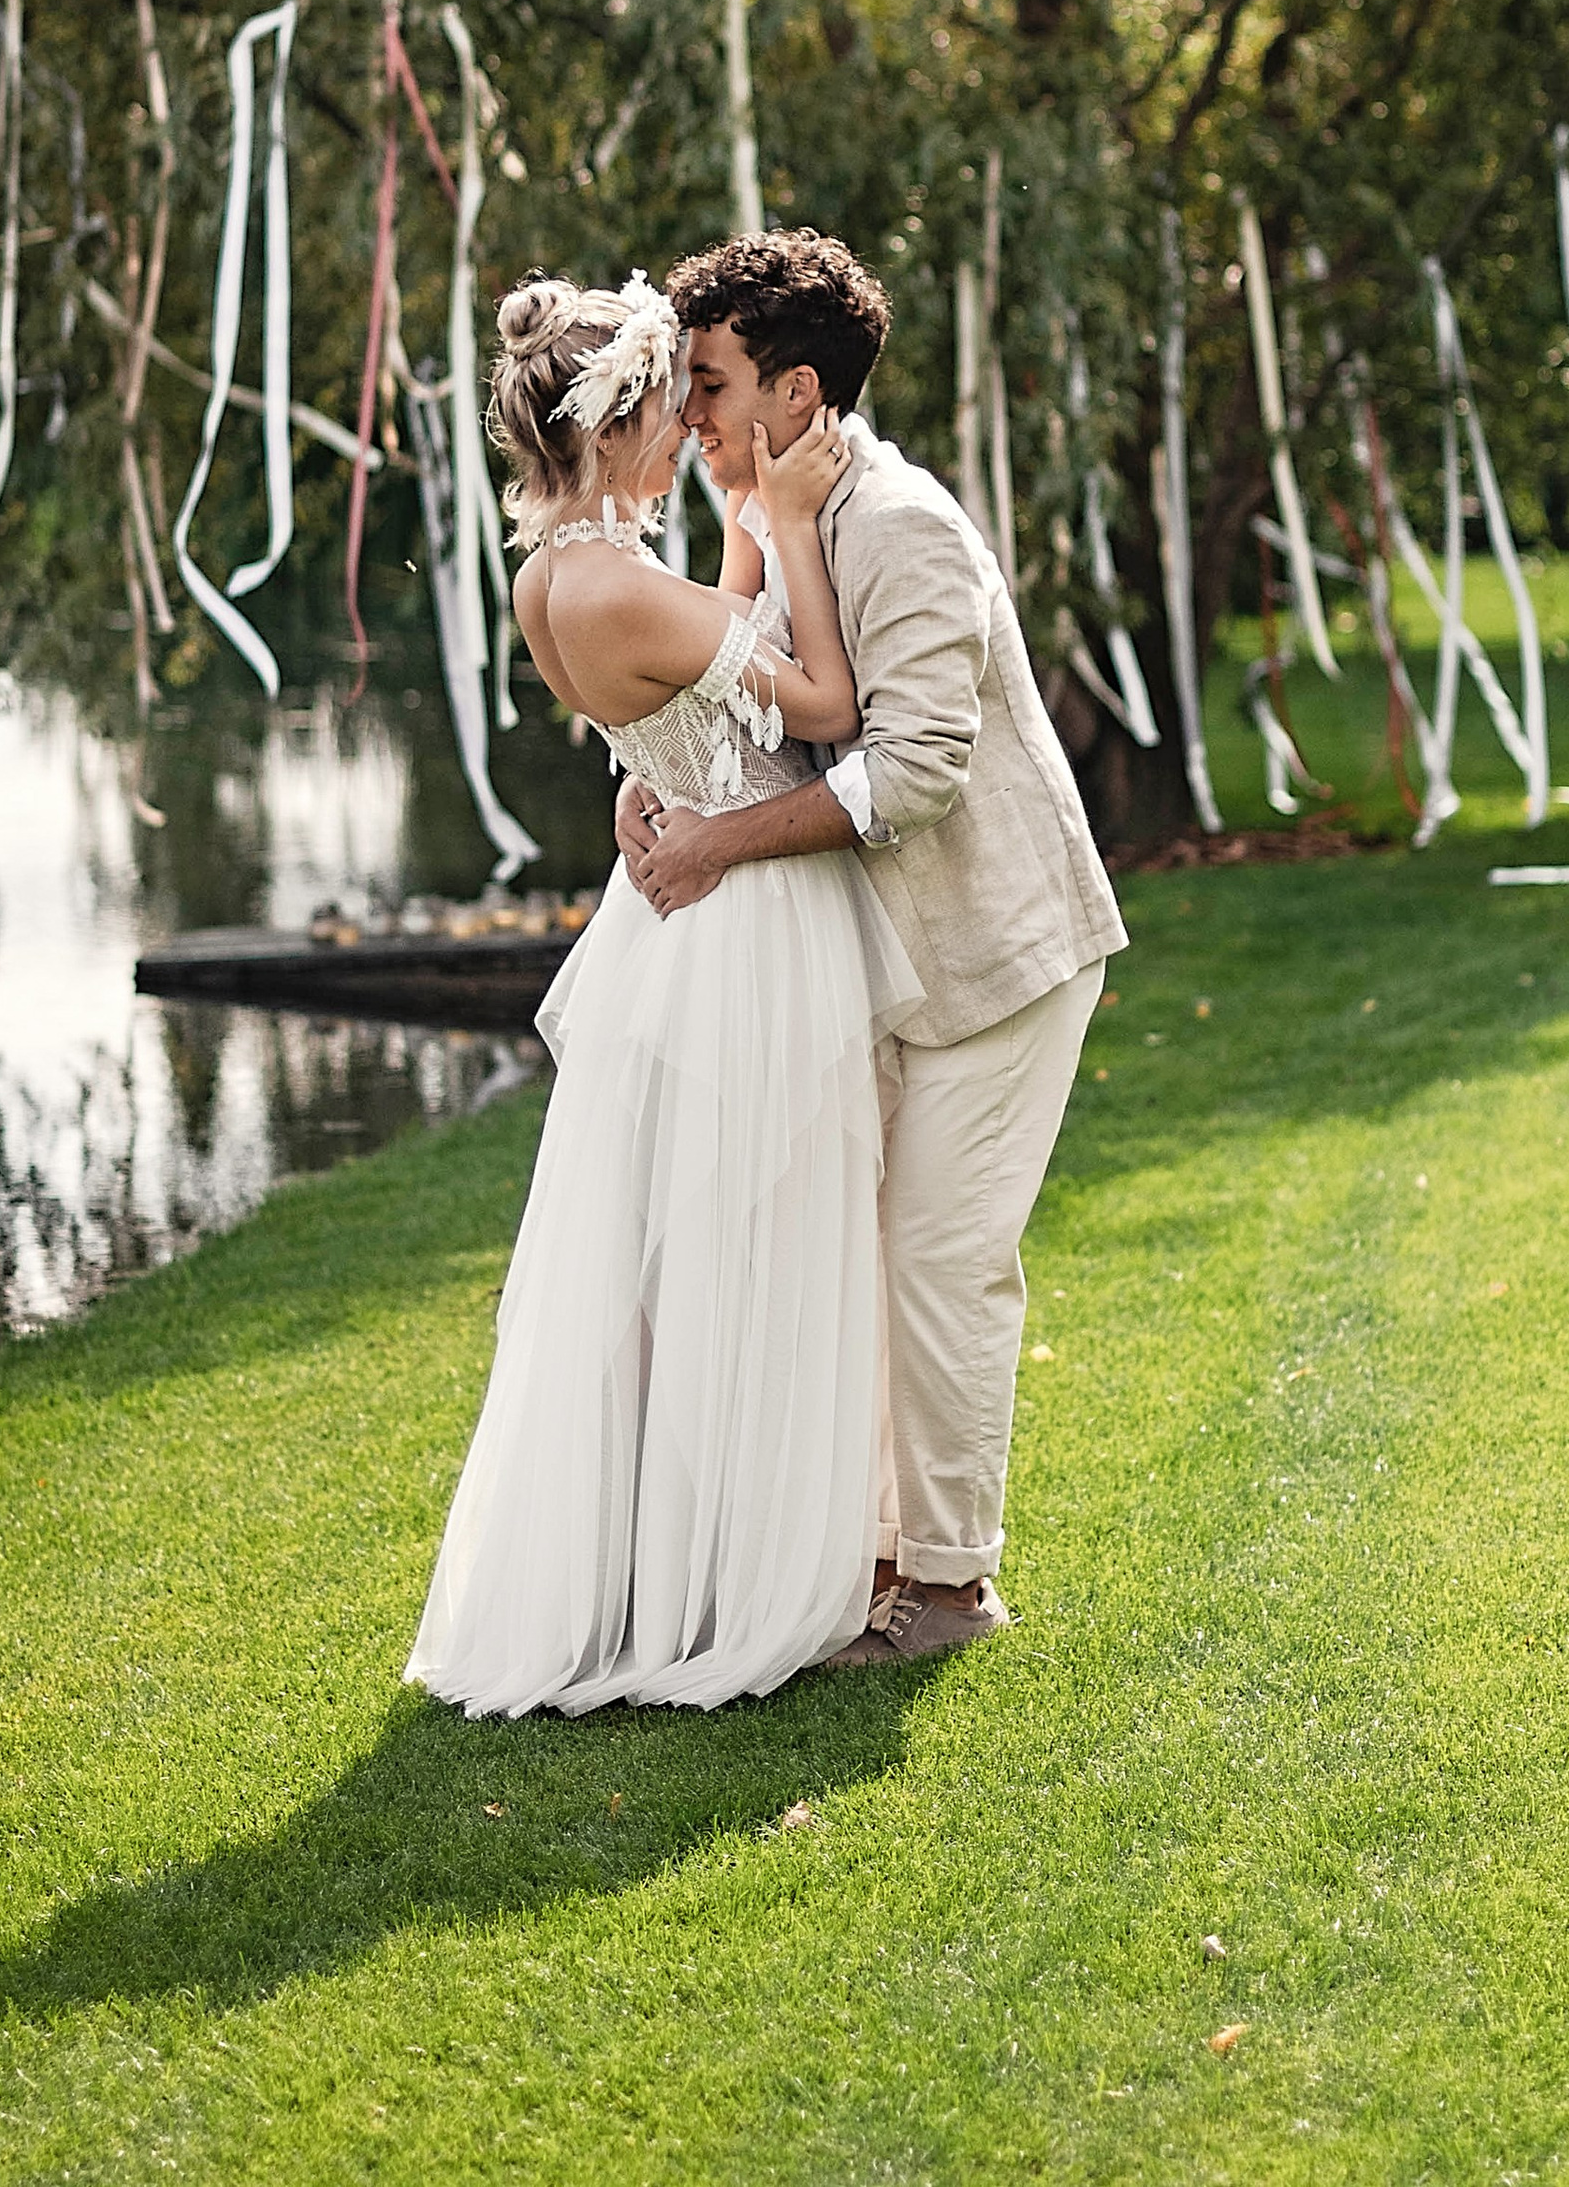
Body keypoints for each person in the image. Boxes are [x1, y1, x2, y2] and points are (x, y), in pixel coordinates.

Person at [405, 271, 919, 1718]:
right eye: (670, 400)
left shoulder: (544, 582)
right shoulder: (621, 576)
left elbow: (665, 716)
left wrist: (746, 541)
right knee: (756, 1243)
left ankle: (669, 1561)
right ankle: (739, 1580)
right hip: (742, 918)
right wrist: (794, 521)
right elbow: (821, 705)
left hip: (667, 906)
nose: (689, 421)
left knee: (673, 1253)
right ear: (618, 421)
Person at [620, 228, 1127, 1664]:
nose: (690, 414)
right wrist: (657, 784)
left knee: (940, 1260)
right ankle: (886, 1565)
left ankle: (953, 1590)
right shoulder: (783, 516)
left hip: (993, 956)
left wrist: (715, 848)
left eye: (710, 383)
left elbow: (914, 772)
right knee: (867, 1254)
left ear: (794, 391)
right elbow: (753, 700)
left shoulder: (897, 523)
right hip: (882, 965)